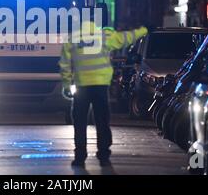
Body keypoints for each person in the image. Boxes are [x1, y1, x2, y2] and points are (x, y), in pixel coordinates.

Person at [59, 20, 148, 167]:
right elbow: (126, 37)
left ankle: (80, 157)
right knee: (102, 121)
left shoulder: (72, 39)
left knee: (80, 122)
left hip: (82, 86)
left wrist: (67, 85)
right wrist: (144, 29)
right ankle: (104, 155)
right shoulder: (104, 36)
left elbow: (65, 64)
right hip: (100, 86)